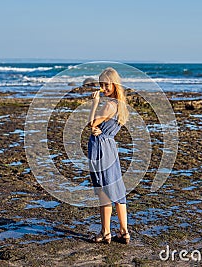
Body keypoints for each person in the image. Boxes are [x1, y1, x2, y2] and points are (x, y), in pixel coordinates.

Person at [87, 67, 130, 244]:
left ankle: (105, 232)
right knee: (117, 189)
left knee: (104, 191)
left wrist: (95, 103)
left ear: (114, 84)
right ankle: (124, 231)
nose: (103, 88)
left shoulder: (108, 104)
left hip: (100, 147)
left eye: (106, 84)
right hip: (110, 146)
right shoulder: (121, 105)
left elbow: (91, 123)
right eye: (101, 85)